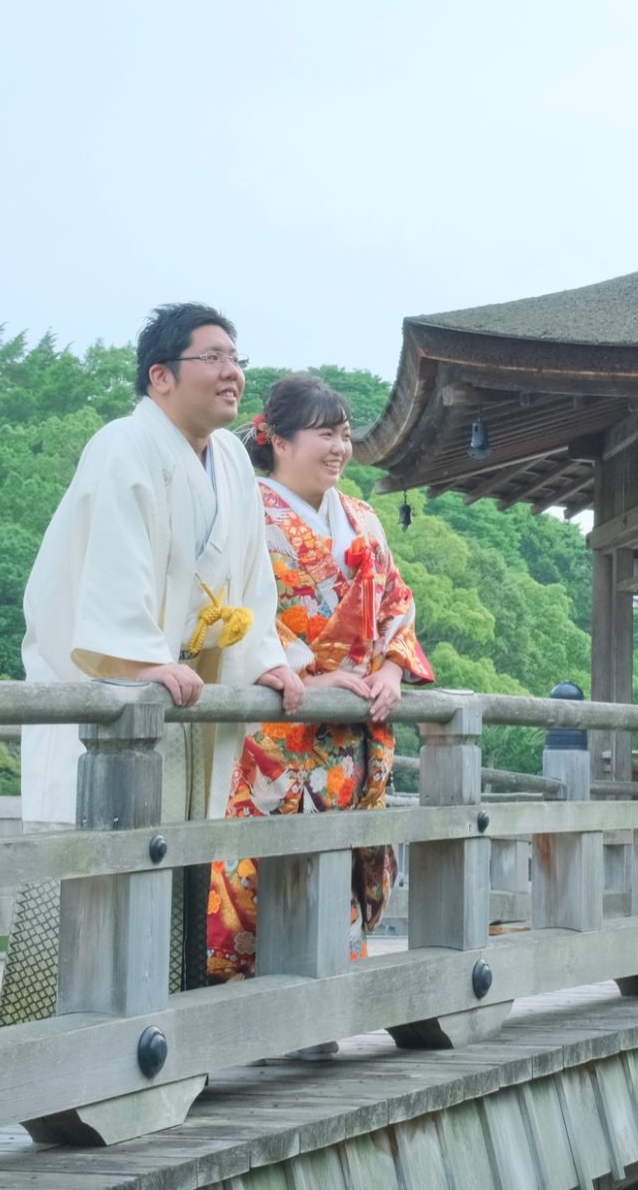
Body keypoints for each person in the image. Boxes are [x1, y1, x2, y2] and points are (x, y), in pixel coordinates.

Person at [1, 303, 304, 1026]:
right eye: (214, 358)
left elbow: (251, 579)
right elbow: (110, 566)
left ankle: (165, 1041)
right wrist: (137, 654)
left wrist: (265, 656)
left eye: (238, 358)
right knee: (101, 867)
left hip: (190, 697)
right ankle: (63, 1045)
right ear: (161, 376)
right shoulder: (122, 446)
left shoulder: (231, 458)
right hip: (120, 692)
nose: (233, 374)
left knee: (177, 863)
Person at [206, 374, 433, 981]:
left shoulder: (363, 519)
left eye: (345, 435)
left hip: (356, 729)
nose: (339, 447)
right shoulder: (246, 512)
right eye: (324, 434)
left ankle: (326, 1015)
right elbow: (237, 607)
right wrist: (307, 673)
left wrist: (389, 670)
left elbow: (396, 604)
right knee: (262, 870)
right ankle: (247, 1012)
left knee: (343, 867)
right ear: (278, 440)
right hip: (281, 724)